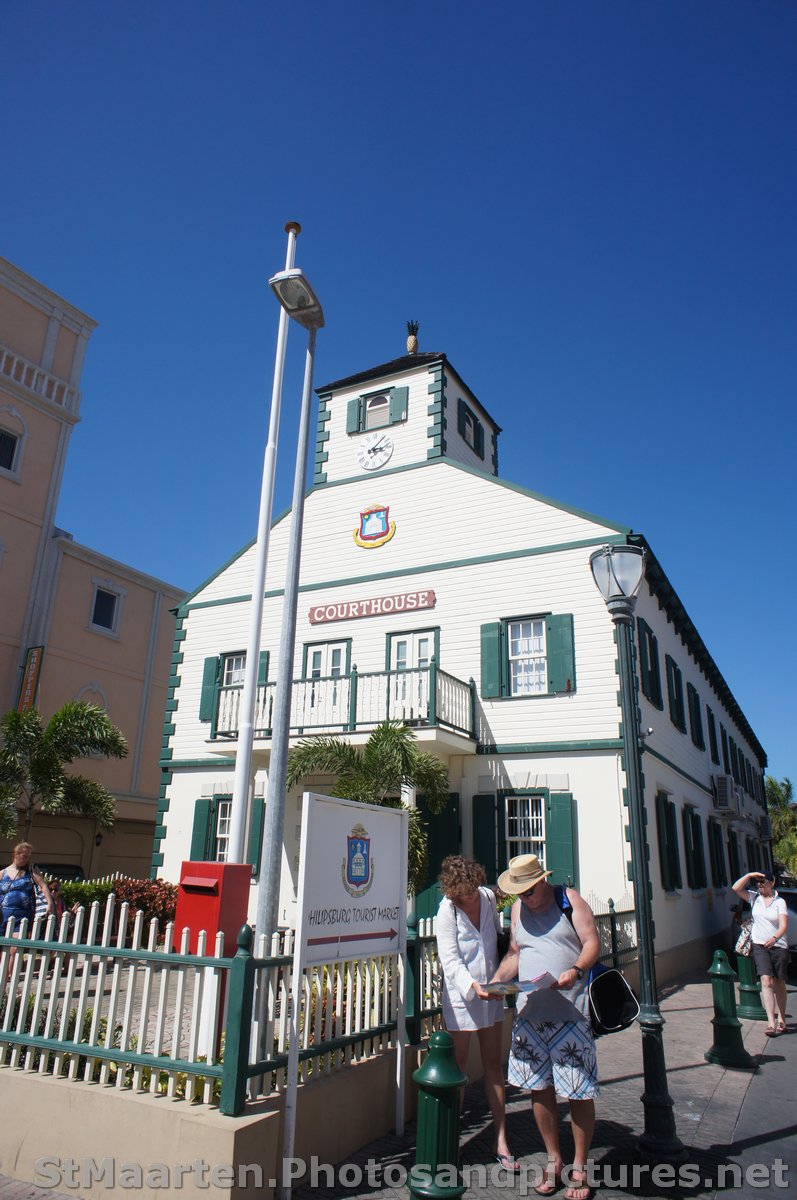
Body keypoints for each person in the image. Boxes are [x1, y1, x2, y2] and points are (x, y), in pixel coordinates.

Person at [490, 853, 601, 1200]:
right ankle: (554, 1160)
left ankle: (580, 1166)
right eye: (518, 893)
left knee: (578, 1091)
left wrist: (576, 971)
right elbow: (515, 952)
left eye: (528, 891)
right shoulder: (519, 910)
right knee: (539, 1088)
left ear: (541, 882)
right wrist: (495, 983)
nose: (524, 898)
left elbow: (593, 942)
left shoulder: (570, 901)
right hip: (529, 1016)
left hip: (571, 1014)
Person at [436, 855, 517, 1170]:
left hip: (491, 993)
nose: (469, 897)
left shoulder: (485, 897)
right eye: (462, 893)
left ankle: (502, 1139)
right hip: (462, 998)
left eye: (471, 890)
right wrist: (473, 986)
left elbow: (493, 940)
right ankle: (450, 1140)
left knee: (494, 1065)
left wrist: (496, 981)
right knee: (457, 1071)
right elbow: (450, 960)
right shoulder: (447, 911)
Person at [732, 869, 788, 1036]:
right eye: (759, 882)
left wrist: (775, 937)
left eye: (764, 882)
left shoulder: (780, 902)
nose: (760, 885)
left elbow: (784, 925)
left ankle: (782, 1019)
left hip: (778, 946)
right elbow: (736, 888)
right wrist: (749, 876)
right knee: (765, 980)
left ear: (772, 883)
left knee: (779, 982)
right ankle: (771, 1021)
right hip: (759, 945)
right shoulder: (753, 898)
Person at [0, 842, 53, 933]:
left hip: (22, 914)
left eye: (29, 857)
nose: (27, 860)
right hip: (3, 914)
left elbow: (43, 886)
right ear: (16, 855)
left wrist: (50, 903)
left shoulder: (31, 870)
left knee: (16, 945)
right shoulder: (3, 873)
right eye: (25, 856)